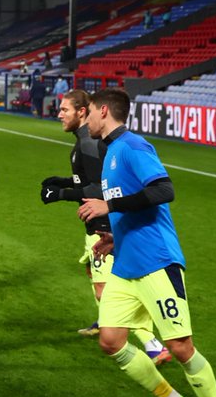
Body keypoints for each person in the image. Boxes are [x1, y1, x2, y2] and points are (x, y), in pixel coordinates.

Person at [78, 88, 216, 397]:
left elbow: (164, 190)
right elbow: (133, 207)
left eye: (90, 113)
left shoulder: (132, 146)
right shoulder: (110, 151)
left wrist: (108, 205)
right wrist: (115, 237)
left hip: (156, 263)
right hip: (126, 264)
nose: (86, 120)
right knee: (111, 341)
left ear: (104, 110)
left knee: (180, 347)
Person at [41, 89, 171, 362]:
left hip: (104, 226)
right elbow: (91, 179)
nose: (59, 114)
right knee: (96, 274)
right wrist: (64, 182)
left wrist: (63, 194)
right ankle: (106, 321)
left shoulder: (90, 143)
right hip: (101, 224)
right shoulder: (85, 142)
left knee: (107, 289)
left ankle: (152, 344)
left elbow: (103, 187)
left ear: (82, 112)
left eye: (65, 110)